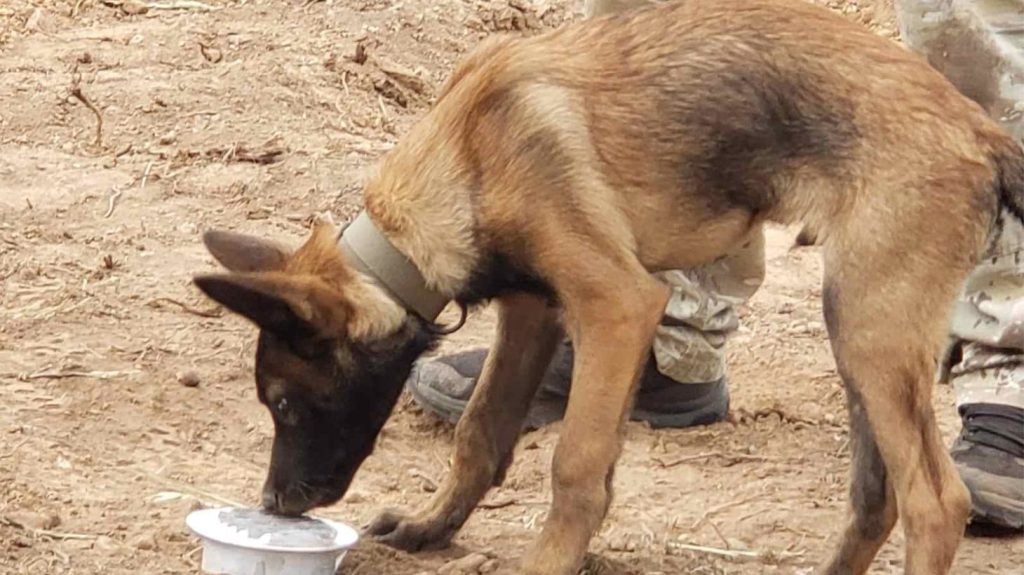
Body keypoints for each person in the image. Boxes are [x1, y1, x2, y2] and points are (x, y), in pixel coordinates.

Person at [406, 0, 1023, 529]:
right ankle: (670, 336)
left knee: (971, 35)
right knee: (652, 36)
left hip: (913, 164)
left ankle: (1011, 364)